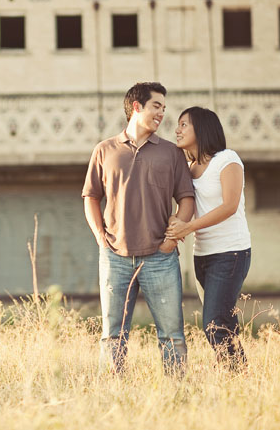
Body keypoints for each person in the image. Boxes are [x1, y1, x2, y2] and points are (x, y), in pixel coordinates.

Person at [82, 82, 195, 375]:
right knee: (113, 335)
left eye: (163, 108)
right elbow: (91, 196)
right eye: (156, 106)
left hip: (161, 257)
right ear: (136, 107)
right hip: (115, 257)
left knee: (172, 336)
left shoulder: (171, 153)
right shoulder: (104, 150)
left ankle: (177, 394)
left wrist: (174, 236)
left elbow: (186, 198)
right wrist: (99, 237)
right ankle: (111, 396)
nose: (162, 114)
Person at [166, 106, 251, 369]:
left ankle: (234, 373)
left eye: (183, 125)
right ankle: (237, 379)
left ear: (201, 128)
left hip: (231, 253)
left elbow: (229, 206)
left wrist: (187, 228)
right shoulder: (188, 168)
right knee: (224, 323)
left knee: (214, 324)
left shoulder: (227, 160)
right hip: (202, 256)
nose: (177, 130)